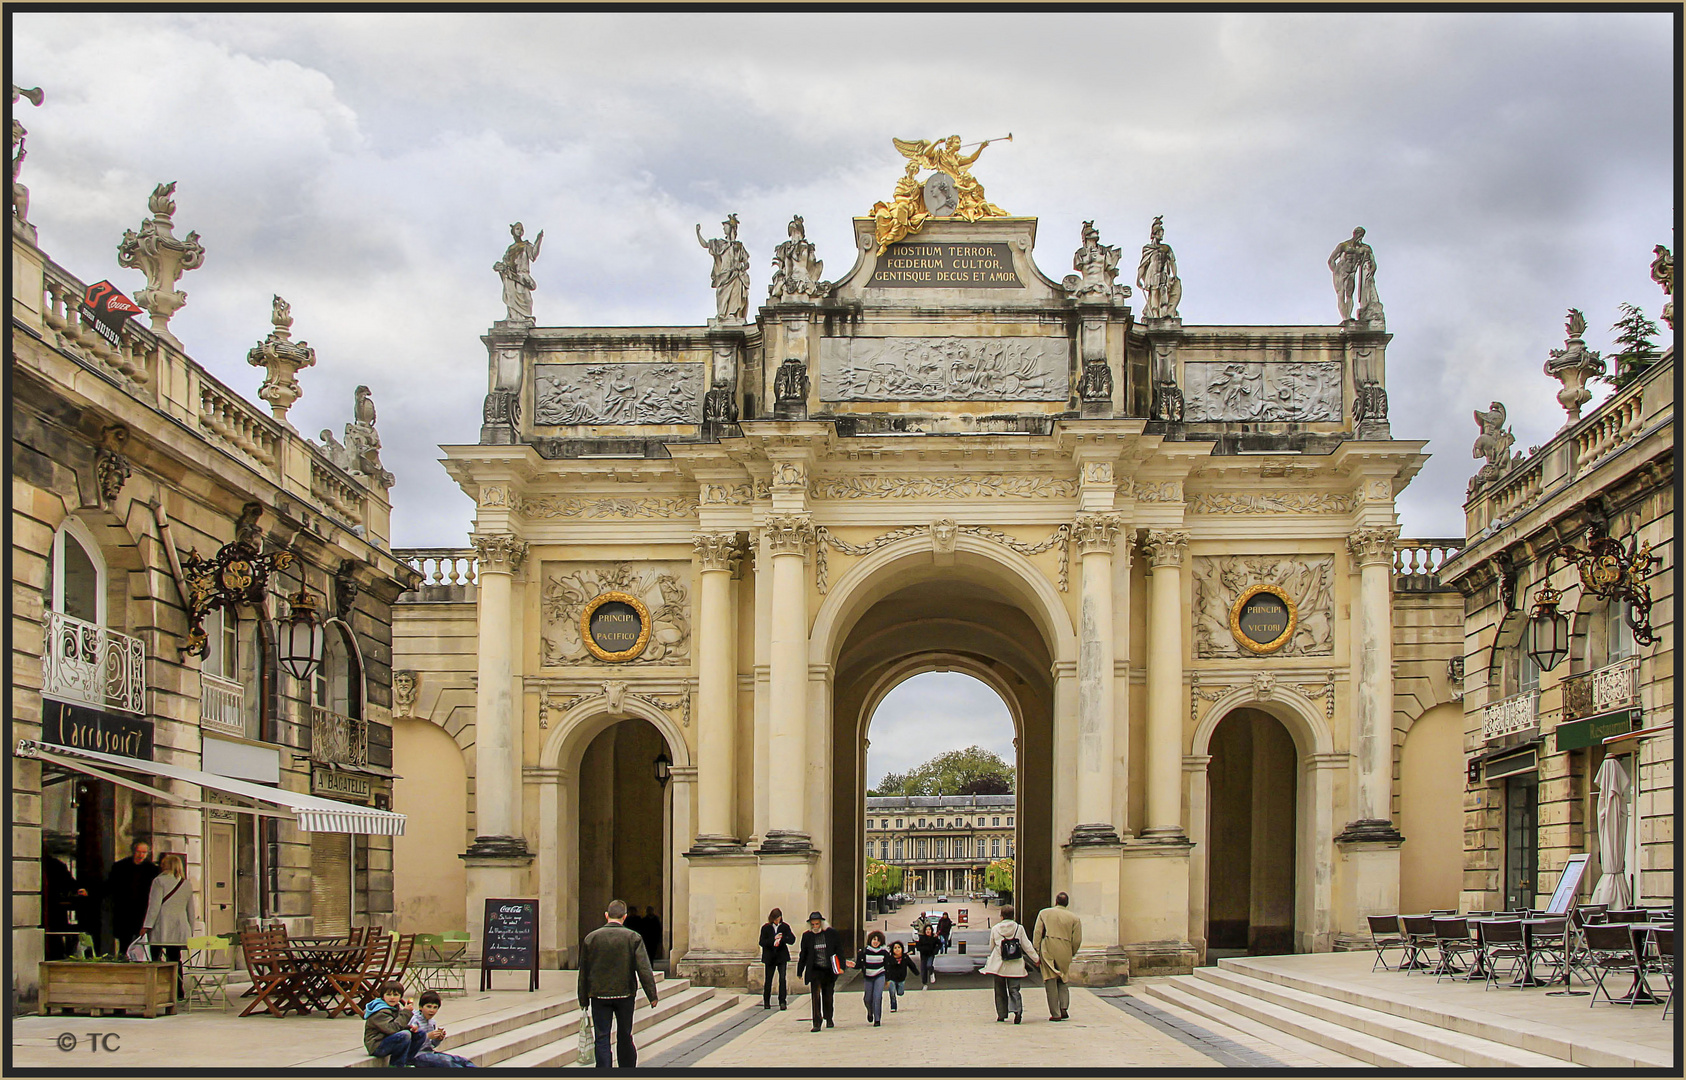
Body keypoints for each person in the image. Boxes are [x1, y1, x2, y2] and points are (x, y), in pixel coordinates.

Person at [578, 899, 658, 1069]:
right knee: (624, 1034)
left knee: (602, 1037)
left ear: (606, 915)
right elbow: (644, 968)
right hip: (625, 994)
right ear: (625, 917)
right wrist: (652, 995)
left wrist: (583, 999)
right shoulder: (633, 938)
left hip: (598, 994)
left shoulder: (591, 939)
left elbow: (583, 971)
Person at [139, 852, 197, 998]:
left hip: (162, 925)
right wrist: (191, 928)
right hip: (180, 926)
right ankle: (178, 990)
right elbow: (191, 909)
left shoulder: (159, 881)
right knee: (175, 959)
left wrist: (146, 925)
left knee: (156, 959)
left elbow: (154, 906)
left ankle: (157, 990)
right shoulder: (186, 883)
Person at [982, 905, 1039, 1024]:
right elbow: (1027, 945)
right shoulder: (1019, 928)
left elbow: (991, 946)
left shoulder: (995, 928)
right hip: (1015, 963)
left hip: (999, 964)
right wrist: (1036, 959)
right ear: (1013, 916)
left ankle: (1001, 1014)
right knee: (1014, 989)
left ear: (1001, 916)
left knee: (999, 990)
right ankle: (1017, 1010)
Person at [796, 911, 852, 1032]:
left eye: (817, 924)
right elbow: (803, 954)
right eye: (813, 924)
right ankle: (816, 1021)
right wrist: (800, 971)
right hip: (815, 969)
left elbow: (839, 950)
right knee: (815, 996)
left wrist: (842, 966)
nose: (815, 927)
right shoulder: (807, 936)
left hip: (828, 969)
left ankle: (829, 1016)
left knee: (828, 995)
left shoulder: (831, 934)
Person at [1033, 892, 1083, 1021]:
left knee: (1050, 979)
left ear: (1056, 901)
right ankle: (1064, 1006)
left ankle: (1055, 1013)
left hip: (1048, 947)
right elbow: (1077, 940)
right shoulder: (1074, 918)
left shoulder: (1044, 913)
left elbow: (1038, 932)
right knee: (1063, 978)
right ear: (1067, 903)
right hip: (1065, 948)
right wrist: (1071, 952)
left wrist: (1037, 950)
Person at [106, 839, 158, 956]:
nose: (141, 855)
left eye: (144, 852)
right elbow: (110, 886)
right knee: (124, 943)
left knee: (142, 944)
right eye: (138, 852)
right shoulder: (120, 867)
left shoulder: (152, 869)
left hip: (142, 910)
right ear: (133, 851)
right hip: (123, 910)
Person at [42, 842, 86, 960]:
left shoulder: (56, 865)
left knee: (56, 938)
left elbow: (69, 883)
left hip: (54, 908)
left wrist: (78, 890)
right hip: (41, 907)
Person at [411, 989, 478, 1068]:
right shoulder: (414, 1020)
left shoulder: (432, 1022)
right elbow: (411, 1043)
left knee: (461, 1060)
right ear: (421, 1007)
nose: (432, 1010)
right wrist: (427, 1036)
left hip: (430, 1053)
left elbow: (432, 1044)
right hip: (417, 1055)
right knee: (447, 1062)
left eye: (435, 1007)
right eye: (428, 1007)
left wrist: (438, 1039)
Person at [363, 981, 422, 1066]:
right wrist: (406, 1013)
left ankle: (407, 1062)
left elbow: (397, 1026)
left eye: (395, 995)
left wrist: (410, 1028)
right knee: (405, 1035)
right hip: (377, 1046)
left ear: (400, 997)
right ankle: (395, 1066)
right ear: (383, 996)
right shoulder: (380, 1011)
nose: (392, 998)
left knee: (420, 1034)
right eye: (388, 994)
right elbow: (392, 1029)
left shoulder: (394, 1008)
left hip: (387, 1039)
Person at [758, 908, 797, 1010]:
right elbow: (762, 942)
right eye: (775, 919)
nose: (777, 921)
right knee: (768, 979)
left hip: (781, 956)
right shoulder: (766, 928)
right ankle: (766, 1001)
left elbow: (792, 940)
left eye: (778, 918)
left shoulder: (784, 927)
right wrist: (773, 940)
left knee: (782, 978)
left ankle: (782, 1001)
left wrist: (783, 939)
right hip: (770, 957)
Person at [856, 931, 892, 1027]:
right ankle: (870, 1011)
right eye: (874, 939)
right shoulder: (864, 951)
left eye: (878, 940)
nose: (875, 942)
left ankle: (877, 1019)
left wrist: (887, 979)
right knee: (868, 998)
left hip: (880, 975)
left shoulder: (884, 952)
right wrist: (852, 965)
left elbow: (888, 966)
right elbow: (859, 964)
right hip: (868, 976)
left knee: (877, 996)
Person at [884, 940, 918, 1014]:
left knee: (900, 992)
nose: (897, 949)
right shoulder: (889, 958)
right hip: (891, 978)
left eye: (899, 947)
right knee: (892, 992)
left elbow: (911, 965)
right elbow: (885, 968)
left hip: (901, 978)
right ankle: (893, 1006)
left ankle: (899, 990)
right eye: (895, 948)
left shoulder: (905, 957)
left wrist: (916, 972)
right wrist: (886, 979)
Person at [914, 924, 941, 988]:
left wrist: (935, 950)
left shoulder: (934, 938)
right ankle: (924, 983)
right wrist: (919, 948)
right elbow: (918, 946)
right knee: (923, 969)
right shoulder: (922, 938)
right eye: (926, 930)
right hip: (923, 955)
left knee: (929, 965)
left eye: (929, 929)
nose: (928, 931)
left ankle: (931, 973)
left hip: (930, 954)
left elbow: (939, 944)